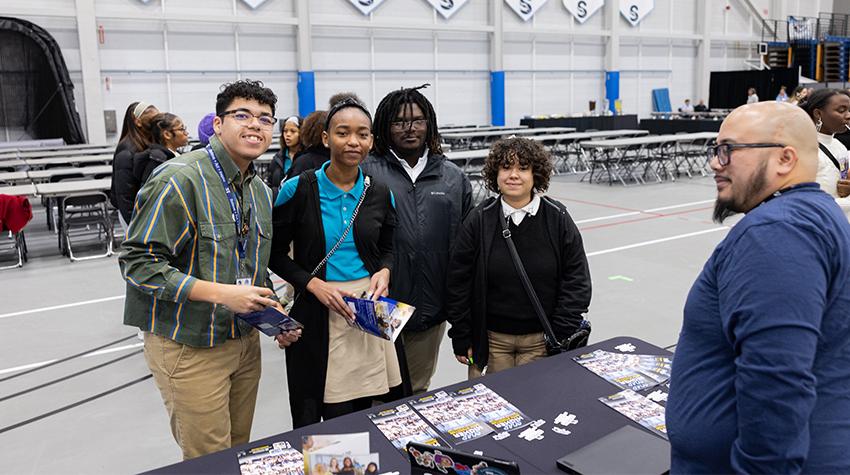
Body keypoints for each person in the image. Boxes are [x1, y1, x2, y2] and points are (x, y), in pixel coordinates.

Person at [120, 79, 301, 460]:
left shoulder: (258, 190)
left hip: (242, 341)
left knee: (238, 451)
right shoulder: (180, 179)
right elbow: (139, 263)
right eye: (242, 115)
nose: (255, 125)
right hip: (189, 344)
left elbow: (249, 265)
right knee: (208, 459)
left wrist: (271, 312)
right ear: (218, 125)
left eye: (265, 119)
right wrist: (223, 294)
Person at [666, 101, 850, 473]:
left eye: (728, 150)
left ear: (784, 159)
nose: (715, 163)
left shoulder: (777, 233)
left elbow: (777, 382)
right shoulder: (812, 214)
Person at [270, 98, 400, 427]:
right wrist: (312, 284)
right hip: (319, 306)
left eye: (363, 134)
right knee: (325, 412)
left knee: (374, 410)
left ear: (371, 141)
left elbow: (389, 246)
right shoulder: (298, 190)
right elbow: (272, 253)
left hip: (370, 311)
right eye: (343, 133)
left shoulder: (381, 193)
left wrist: (384, 270)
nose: (353, 141)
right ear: (326, 138)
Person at [446, 137, 591, 378]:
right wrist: (462, 335)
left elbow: (577, 279)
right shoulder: (479, 219)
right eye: (506, 167)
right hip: (491, 342)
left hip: (541, 341)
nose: (513, 175)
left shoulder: (557, 218)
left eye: (523, 168)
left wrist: (559, 332)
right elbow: (458, 282)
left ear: (536, 174)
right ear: (495, 173)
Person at [361, 84, 472, 394]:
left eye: (418, 120)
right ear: (384, 125)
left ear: (430, 124)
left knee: (417, 389)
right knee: (377, 393)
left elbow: (467, 247)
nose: (409, 129)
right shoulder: (366, 173)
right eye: (399, 122)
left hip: (431, 308)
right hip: (379, 307)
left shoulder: (452, 177)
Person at [111, 101, 158, 230]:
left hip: (146, 213)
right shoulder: (126, 151)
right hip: (133, 217)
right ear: (138, 122)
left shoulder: (149, 143)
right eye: (154, 120)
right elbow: (125, 197)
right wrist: (136, 226)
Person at [798, 88, 850, 205]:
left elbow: (841, 178)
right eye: (841, 110)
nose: (848, 116)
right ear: (818, 114)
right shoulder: (804, 148)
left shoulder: (839, 146)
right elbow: (805, 199)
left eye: (849, 110)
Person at [132, 112, 190, 185]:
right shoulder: (157, 159)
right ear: (167, 135)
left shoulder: (176, 154)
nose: (186, 133)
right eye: (182, 129)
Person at [285, 110, 330, 179]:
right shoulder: (338, 160)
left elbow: (290, 188)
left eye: (293, 131)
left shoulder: (303, 162)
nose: (288, 135)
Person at [267, 115, 301, 196]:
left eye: (293, 131)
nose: (288, 135)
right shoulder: (278, 159)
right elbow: (269, 183)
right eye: (285, 131)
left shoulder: (306, 159)